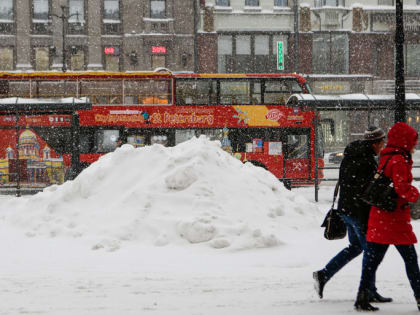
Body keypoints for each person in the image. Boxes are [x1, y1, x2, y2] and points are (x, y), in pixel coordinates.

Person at [313, 126, 392, 303]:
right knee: (371, 252)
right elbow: (367, 190)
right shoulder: (366, 160)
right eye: (381, 143)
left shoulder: (351, 154)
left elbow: (350, 184)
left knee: (356, 247)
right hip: (358, 212)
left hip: (346, 209)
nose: (382, 146)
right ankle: (368, 291)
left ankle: (323, 275)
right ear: (375, 143)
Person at [354, 122, 420, 312]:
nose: (414, 145)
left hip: (380, 217)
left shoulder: (387, 156)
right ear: (404, 141)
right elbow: (401, 188)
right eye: (412, 141)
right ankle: (419, 296)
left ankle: (362, 297)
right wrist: (416, 194)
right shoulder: (399, 159)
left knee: (372, 261)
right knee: (411, 261)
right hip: (394, 219)